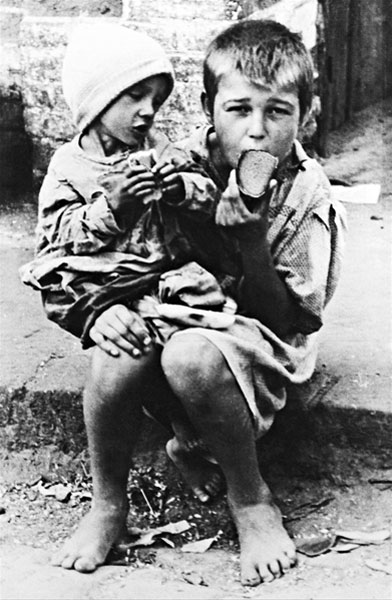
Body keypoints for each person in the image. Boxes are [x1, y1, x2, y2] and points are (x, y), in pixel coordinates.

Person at [21, 19, 346, 587]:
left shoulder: (305, 194)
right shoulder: (179, 159)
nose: (256, 132)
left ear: (305, 115)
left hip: (257, 338)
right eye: (239, 110)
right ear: (208, 108)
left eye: (278, 112)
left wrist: (248, 242)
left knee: (190, 357)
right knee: (113, 355)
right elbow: (75, 259)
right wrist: (101, 310)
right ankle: (107, 505)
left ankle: (251, 501)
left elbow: (283, 321)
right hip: (175, 311)